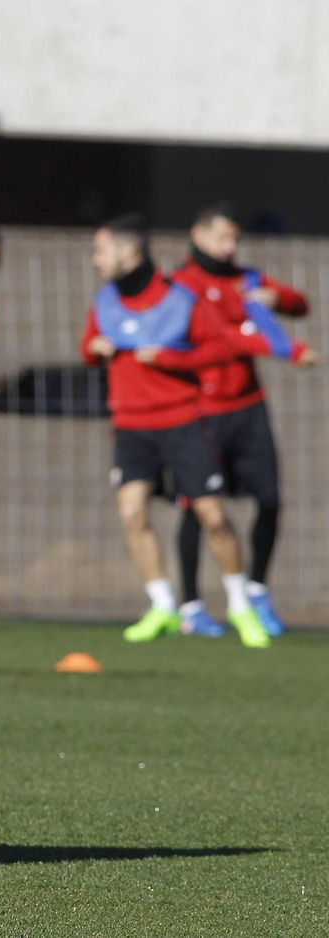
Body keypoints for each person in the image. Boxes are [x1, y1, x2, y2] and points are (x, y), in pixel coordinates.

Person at [79, 215, 313, 648]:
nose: (95, 260)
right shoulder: (106, 301)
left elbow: (220, 346)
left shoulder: (178, 297)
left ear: (127, 253)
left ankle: (240, 606)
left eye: (101, 250)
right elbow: (89, 346)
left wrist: (168, 358)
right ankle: (162, 604)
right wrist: (94, 351)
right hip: (130, 425)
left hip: (182, 421)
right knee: (132, 512)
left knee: (214, 516)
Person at [167, 204, 309, 637]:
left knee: (269, 499)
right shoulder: (180, 285)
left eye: (234, 240)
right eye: (222, 239)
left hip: (248, 406)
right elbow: (222, 339)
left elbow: (300, 305)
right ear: (198, 235)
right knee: (199, 508)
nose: (229, 248)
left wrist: (276, 299)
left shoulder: (245, 279)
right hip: (200, 411)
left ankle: (257, 589)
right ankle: (191, 605)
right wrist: (288, 351)